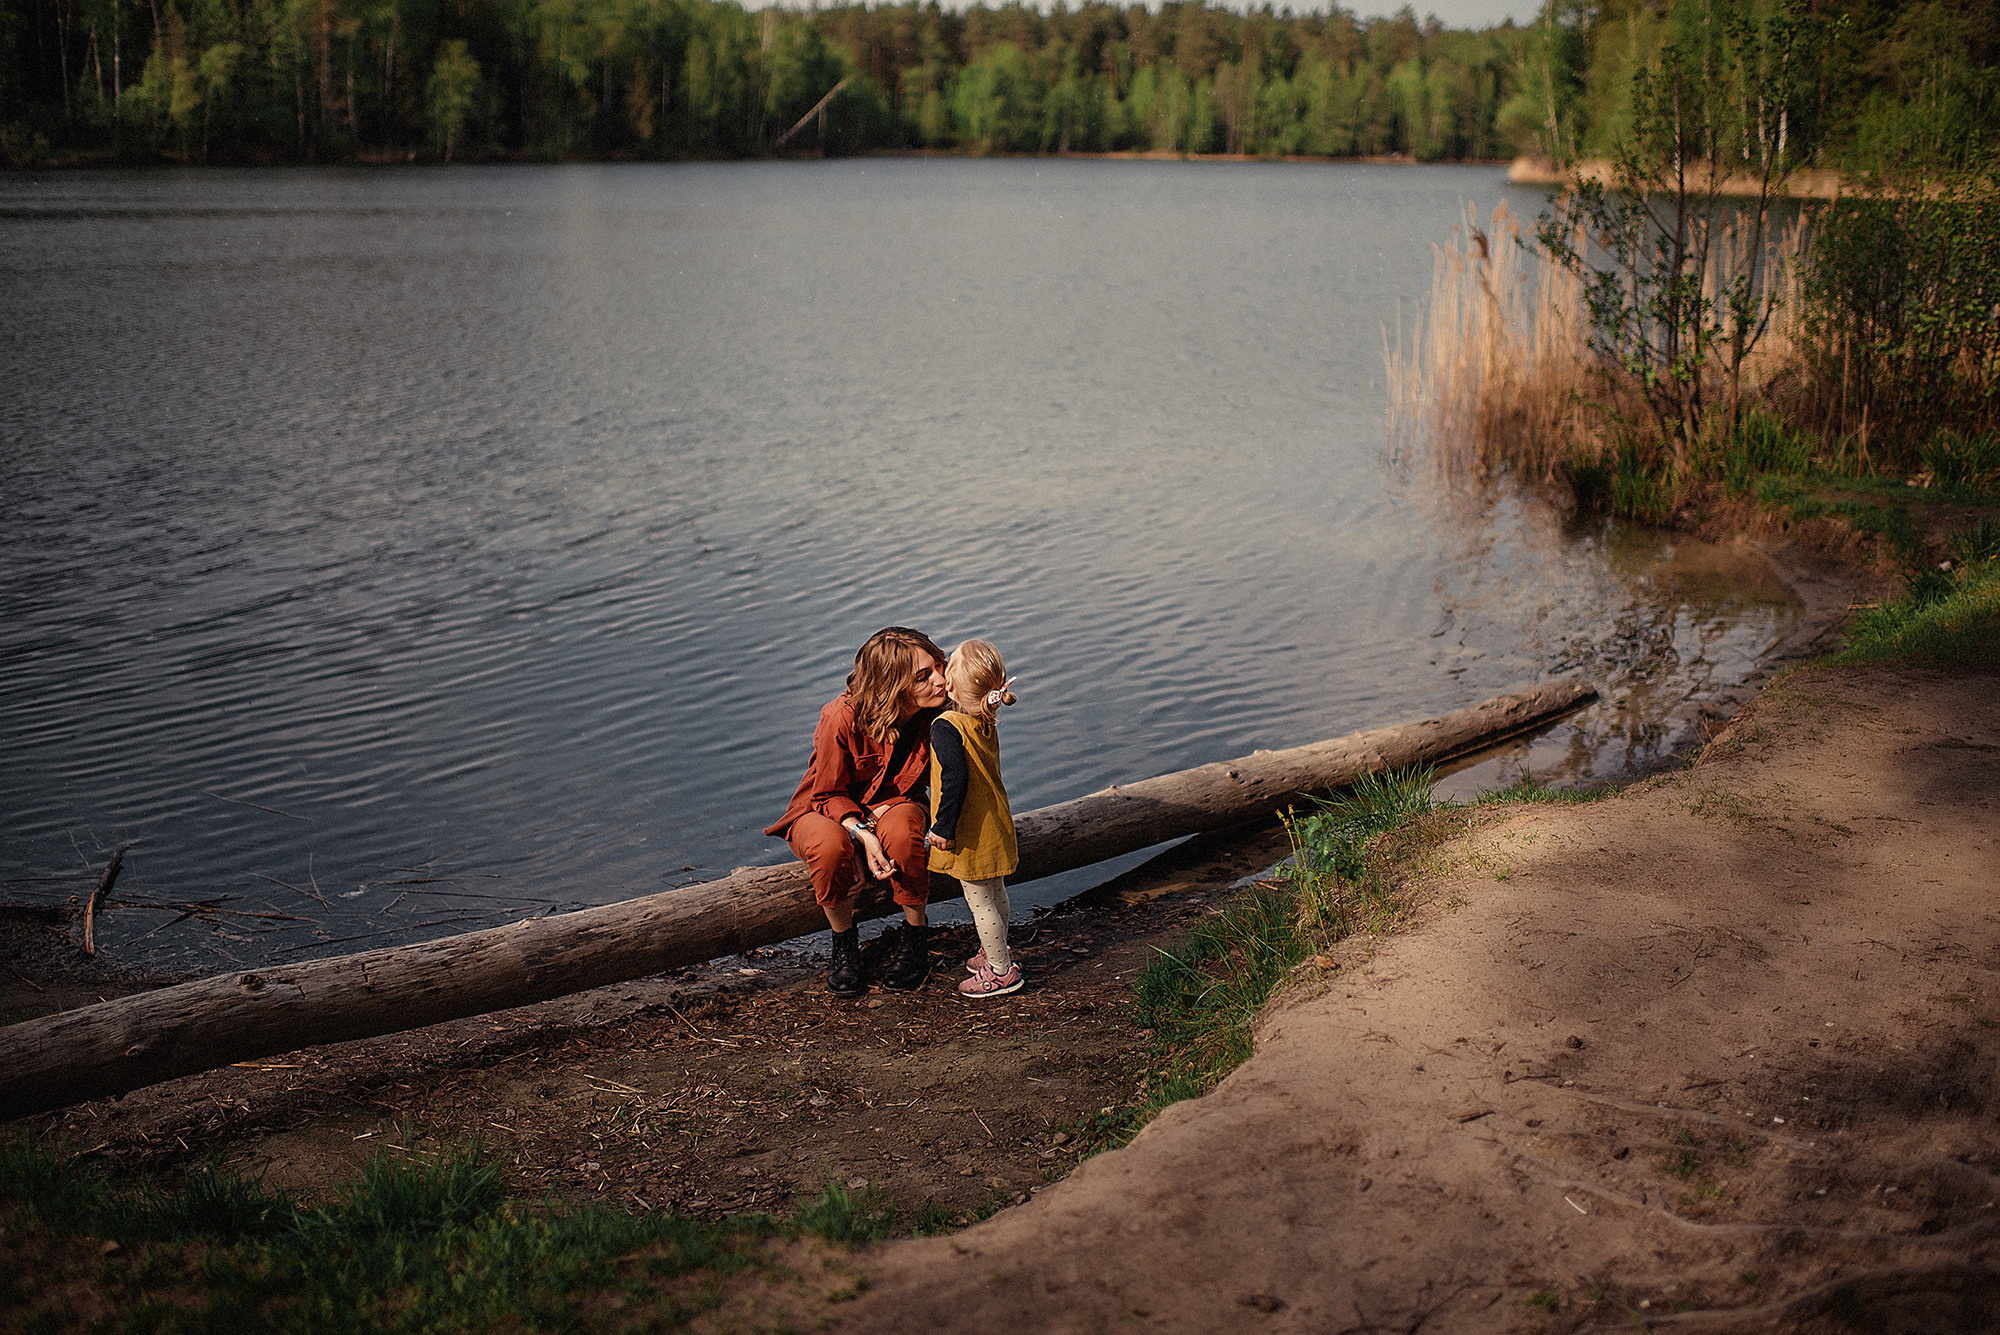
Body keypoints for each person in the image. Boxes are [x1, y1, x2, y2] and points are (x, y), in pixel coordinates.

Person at [766, 626, 949, 997]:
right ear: (892, 684)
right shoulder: (841, 717)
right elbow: (828, 791)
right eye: (924, 676)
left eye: (939, 667)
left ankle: (915, 936)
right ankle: (844, 943)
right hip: (821, 806)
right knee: (831, 847)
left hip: (893, 803)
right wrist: (862, 834)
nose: (941, 680)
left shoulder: (938, 712)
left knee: (902, 833)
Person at [924, 639, 1024, 997]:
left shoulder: (945, 726)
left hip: (970, 829)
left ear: (950, 685)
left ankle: (1000, 972)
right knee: (996, 893)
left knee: (980, 901)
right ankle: (996, 950)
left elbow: (955, 778)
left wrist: (942, 828)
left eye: (947, 665)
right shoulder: (984, 716)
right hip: (995, 820)